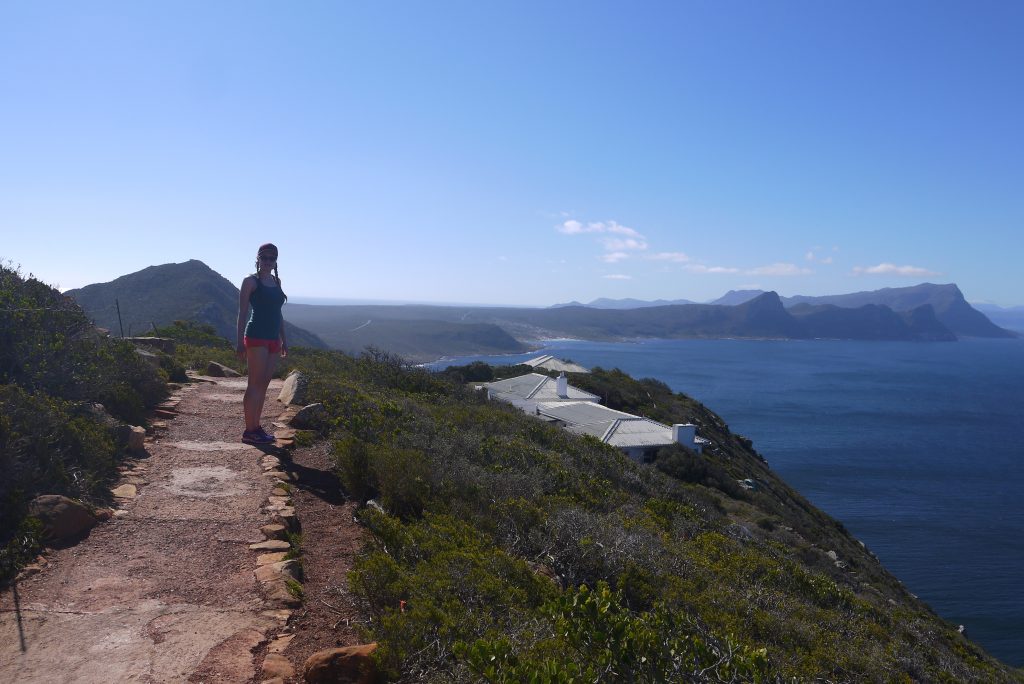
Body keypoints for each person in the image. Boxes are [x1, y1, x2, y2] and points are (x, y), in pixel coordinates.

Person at [236, 243, 288, 444]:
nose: (267, 262)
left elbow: (278, 313)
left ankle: (256, 427)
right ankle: (249, 431)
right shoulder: (250, 281)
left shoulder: (276, 281)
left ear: (275, 261)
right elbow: (242, 313)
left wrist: (284, 339)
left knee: (264, 385)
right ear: (257, 259)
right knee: (254, 385)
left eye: (271, 258)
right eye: (264, 258)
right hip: (256, 336)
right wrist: (240, 342)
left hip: (274, 339)